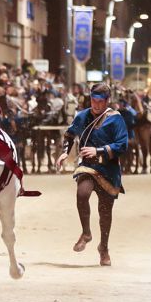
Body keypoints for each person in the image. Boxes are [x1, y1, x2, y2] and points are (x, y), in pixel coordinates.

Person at [55, 83, 128, 266]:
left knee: (105, 213)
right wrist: (65, 151)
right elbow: (69, 135)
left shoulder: (115, 119)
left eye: (100, 102)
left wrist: (100, 150)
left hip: (108, 169)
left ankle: (103, 247)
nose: (96, 105)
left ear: (107, 101)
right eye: (93, 101)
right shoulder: (82, 116)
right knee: (82, 193)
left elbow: (122, 144)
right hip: (87, 167)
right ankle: (86, 233)